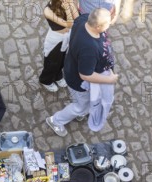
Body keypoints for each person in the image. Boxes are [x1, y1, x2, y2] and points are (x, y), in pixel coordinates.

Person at [45, 8, 117, 137]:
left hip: (74, 67)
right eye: (108, 23)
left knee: (85, 102)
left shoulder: (83, 19)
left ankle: (83, 111)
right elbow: (85, 75)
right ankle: (55, 121)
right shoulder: (89, 48)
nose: (110, 24)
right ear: (98, 26)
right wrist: (109, 80)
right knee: (80, 106)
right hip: (79, 82)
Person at [39, 0, 78, 92]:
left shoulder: (69, 2)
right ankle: (46, 80)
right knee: (52, 62)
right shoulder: (48, 10)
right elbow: (70, 24)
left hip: (67, 37)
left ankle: (57, 76)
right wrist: (68, 10)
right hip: (55, 40)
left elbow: (77, 19)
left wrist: (71, 4)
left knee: (62, 60)